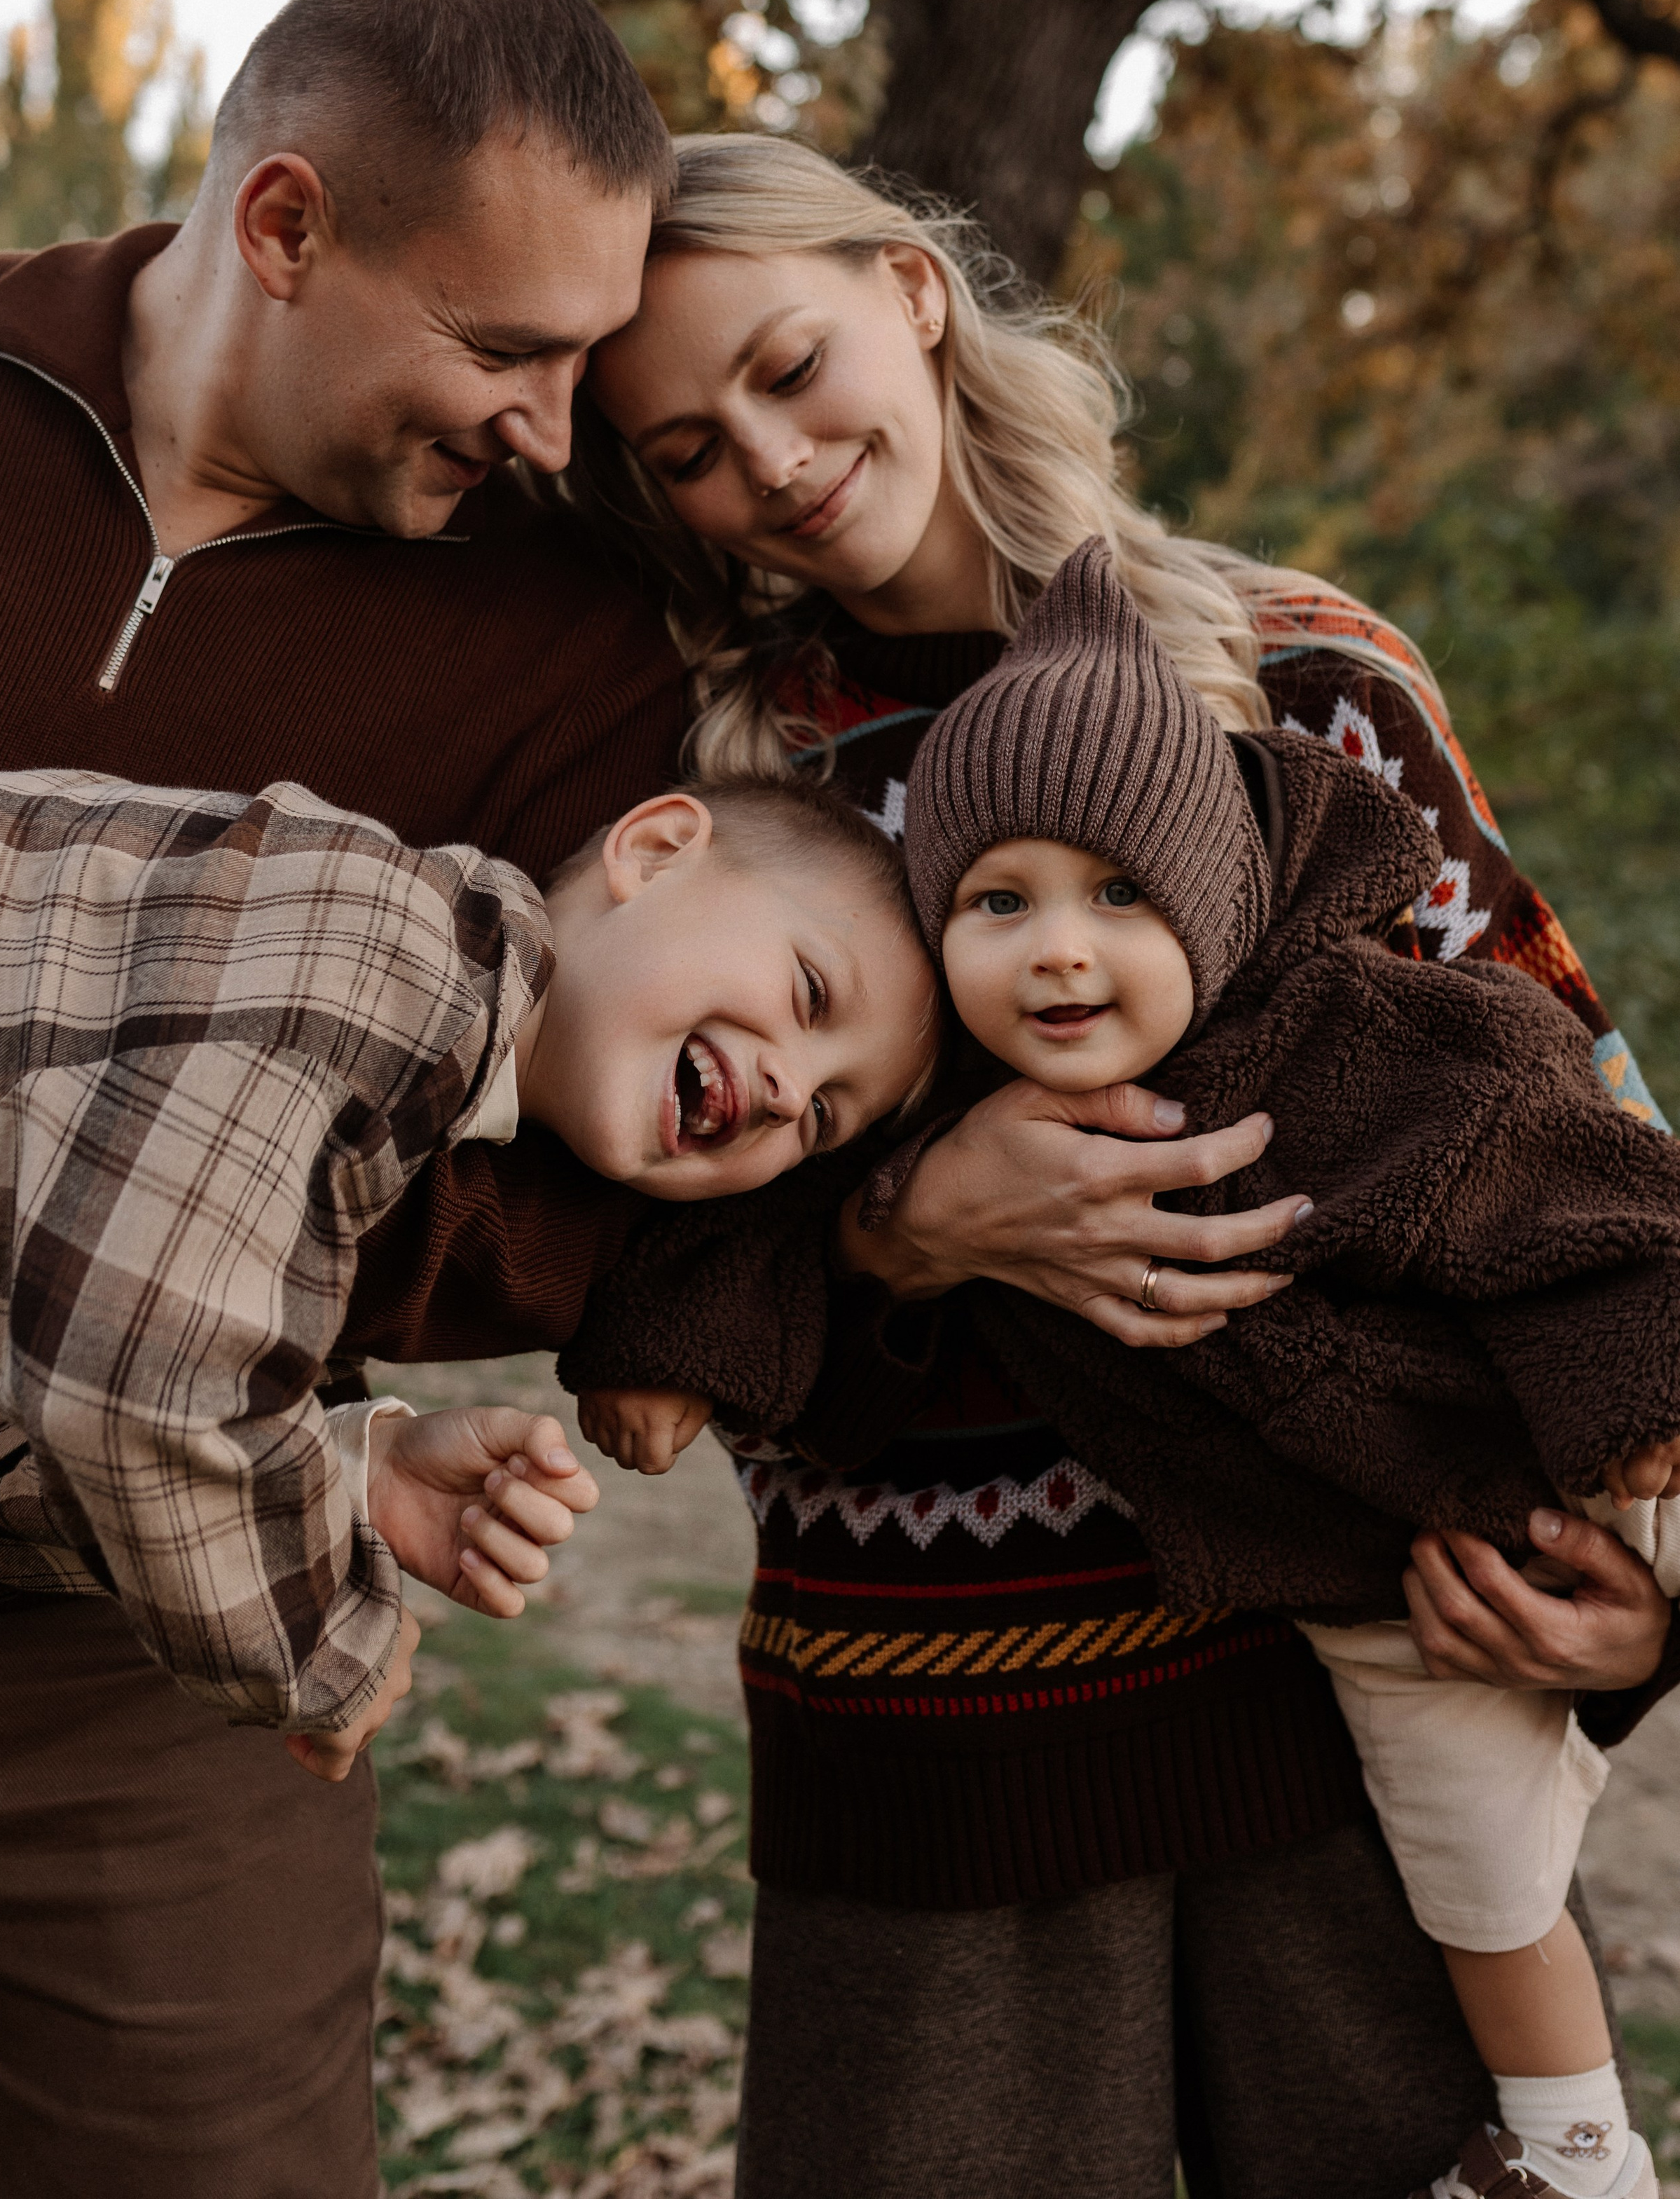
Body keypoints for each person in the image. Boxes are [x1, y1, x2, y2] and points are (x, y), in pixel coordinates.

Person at [551, 132, 1677, 2199]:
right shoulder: (717, 782)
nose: (775, 464)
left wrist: (1639, 1612)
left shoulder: (1305, 682)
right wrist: (904, 1226)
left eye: (795, 368)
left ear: (913, 291)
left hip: (1350, 1693)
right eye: (691, 450)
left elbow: (1571, 1135)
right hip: (932, 1726)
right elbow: (624, 1250)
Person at [0, 0, 691, 2198]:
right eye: (508, 347)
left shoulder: (559, 639)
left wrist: (310, 1421)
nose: (554, 429)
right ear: (286, 222)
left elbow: (568, 1150)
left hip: (132, 1624)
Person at [899, 537, 1680, 2199]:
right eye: (996, 902)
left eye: (1119, 895)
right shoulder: (938, 1123)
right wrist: (707, 1334)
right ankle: (1574, 2154)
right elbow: (751, 1222)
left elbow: (1583, 1187)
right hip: (1379, 1577)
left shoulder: (1358, 1039)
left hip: (1588, 1425)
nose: (1057, 952)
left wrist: (1636, 1421)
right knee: (1473, 1872)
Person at [0, 758, 932, 1736]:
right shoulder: (379, 941)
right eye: (810, 994)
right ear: (654, 851)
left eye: (825, 1122)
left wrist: (344, 1471)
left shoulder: (367, 1139)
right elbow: (127, 1376)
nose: (794, 1090)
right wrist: (330, 1651)